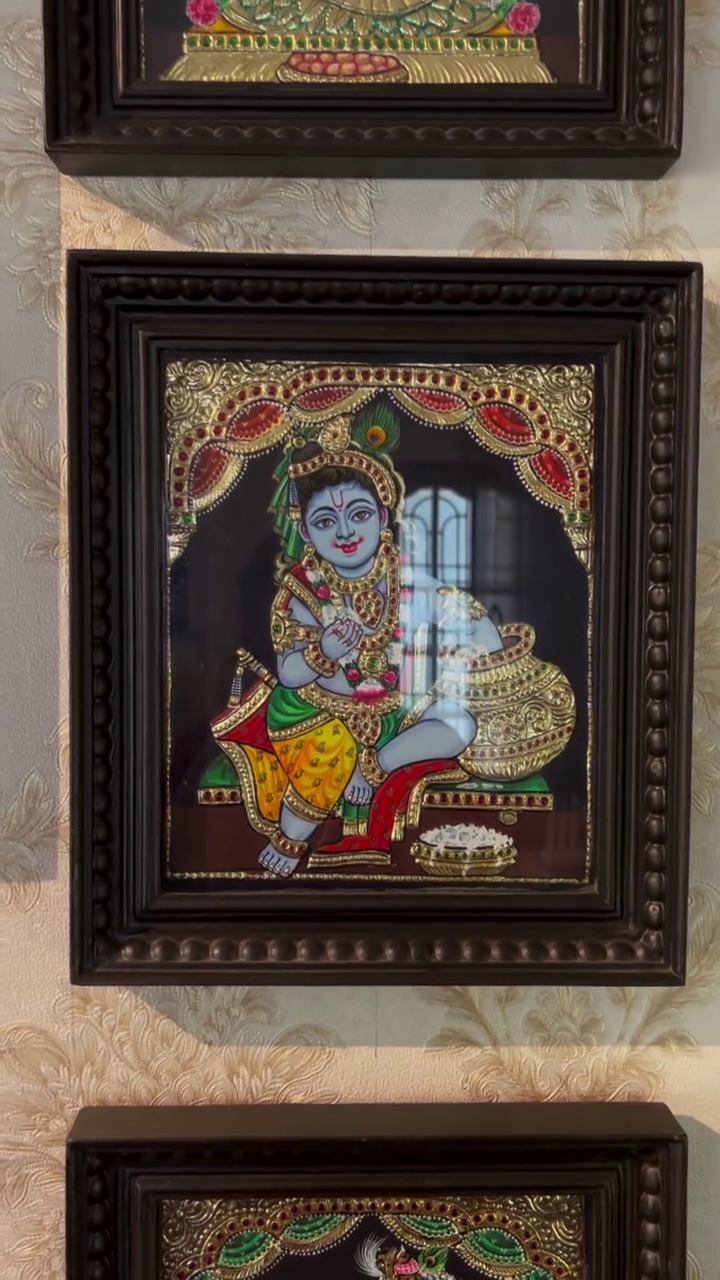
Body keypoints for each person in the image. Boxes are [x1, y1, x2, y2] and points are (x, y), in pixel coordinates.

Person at [209, 411, 502, 876]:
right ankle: (291, 840)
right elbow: (290, 673)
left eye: (359, 515)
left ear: (383, 517)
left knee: (459, 724)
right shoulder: (303, 591)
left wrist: (488, 646)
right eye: (326, 521)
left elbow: (462, 613)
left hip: (391, 710)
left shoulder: (405, 577)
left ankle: (376, 765)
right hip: (316, 713)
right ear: (306, 532)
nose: (345, 532)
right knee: (328, 758)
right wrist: (323, 652)